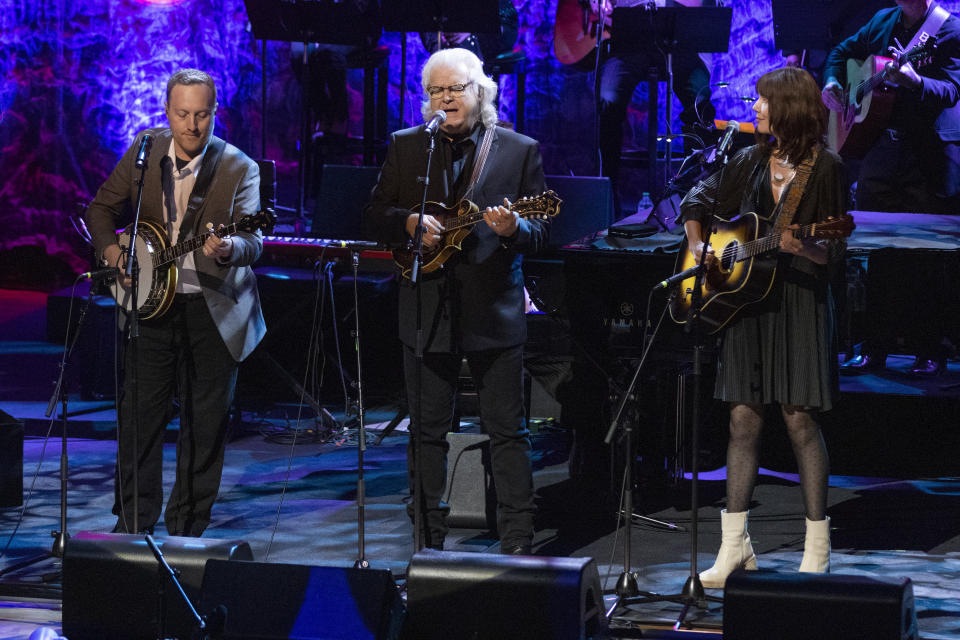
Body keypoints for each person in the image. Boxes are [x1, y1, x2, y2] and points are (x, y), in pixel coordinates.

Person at [364, 48, 548, 554]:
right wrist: (406, 222)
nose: (446, 98)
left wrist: (516, 227)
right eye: (437, 91)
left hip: (493, 310)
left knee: (507, 431)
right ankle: (427, 542)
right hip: (425, 307)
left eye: (456, 88)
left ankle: (517, 542)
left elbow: (543, 229)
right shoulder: (407, 147)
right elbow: (374, 211)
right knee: (425, 433)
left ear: (480, 92)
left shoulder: (517, 150)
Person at [679, 66, 847, 588]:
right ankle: (734, 548)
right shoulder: (749, 159)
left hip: (799, 303)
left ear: (787, 107)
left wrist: (809, 246)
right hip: (746, 304)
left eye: (763, 101)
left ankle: (817, 547)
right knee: (742, 421)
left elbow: (835, 251)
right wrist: (701, 246)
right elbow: (695, 202)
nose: (755, 109)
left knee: (799, 421)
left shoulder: (826, 168)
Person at [86, 69, 265, 536]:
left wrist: (228, 249)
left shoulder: (239, 167)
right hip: (149, 309)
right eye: (182, 114)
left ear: (214, 114)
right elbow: (101, 210)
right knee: (138, 420)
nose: (192, 126)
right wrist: (112, 251)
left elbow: (253, 239)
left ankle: (187, 531)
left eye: (202, 115)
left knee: (205, 427)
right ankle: (132, 526)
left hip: (213, 310)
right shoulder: (145, 152)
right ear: (167, 112)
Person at [822, 0, 960, 374]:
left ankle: (931, 349)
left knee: (926, 258)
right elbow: (842, 51)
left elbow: (951, 91)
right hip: (881, 151)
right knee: (876, 253)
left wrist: (915, 81)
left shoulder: (949, 29)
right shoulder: (884, 19)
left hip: (928, 157)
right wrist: (834, 81)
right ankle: (873, 346)